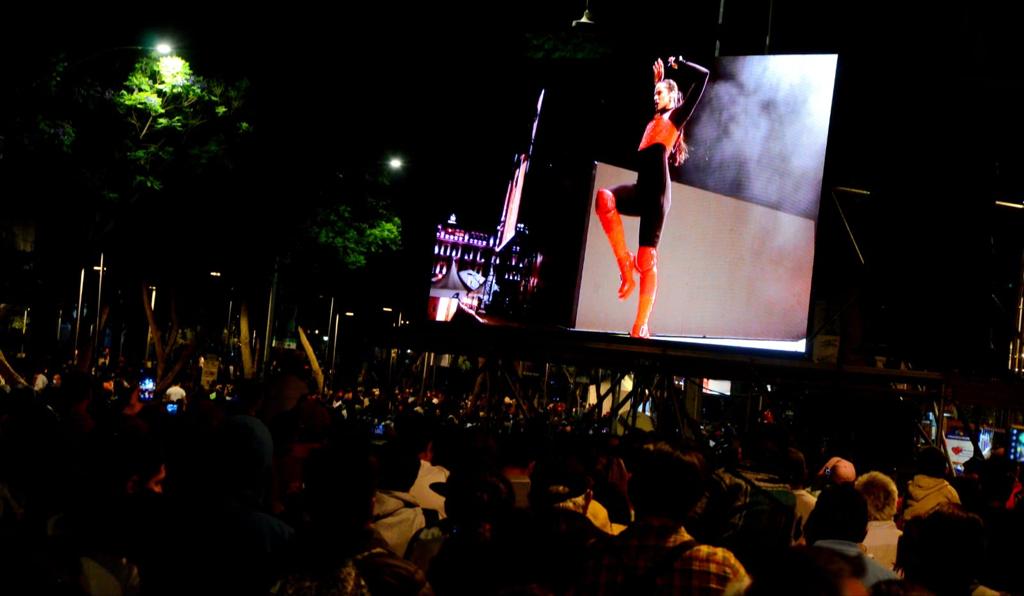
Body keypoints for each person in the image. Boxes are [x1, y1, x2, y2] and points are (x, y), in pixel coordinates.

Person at [595, 55, 709, 338]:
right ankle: (625, 268)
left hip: (658, 194)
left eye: (659, 94)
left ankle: (640, 325)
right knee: (604, 199)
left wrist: (680, 64)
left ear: (672, 96)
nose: (654, 97)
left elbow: (704, 76)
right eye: (654, 94)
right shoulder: (657, 119)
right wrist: (659, 83)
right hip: (641, 187)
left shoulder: (678, 117)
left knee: (647, 259)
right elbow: (659, 114)